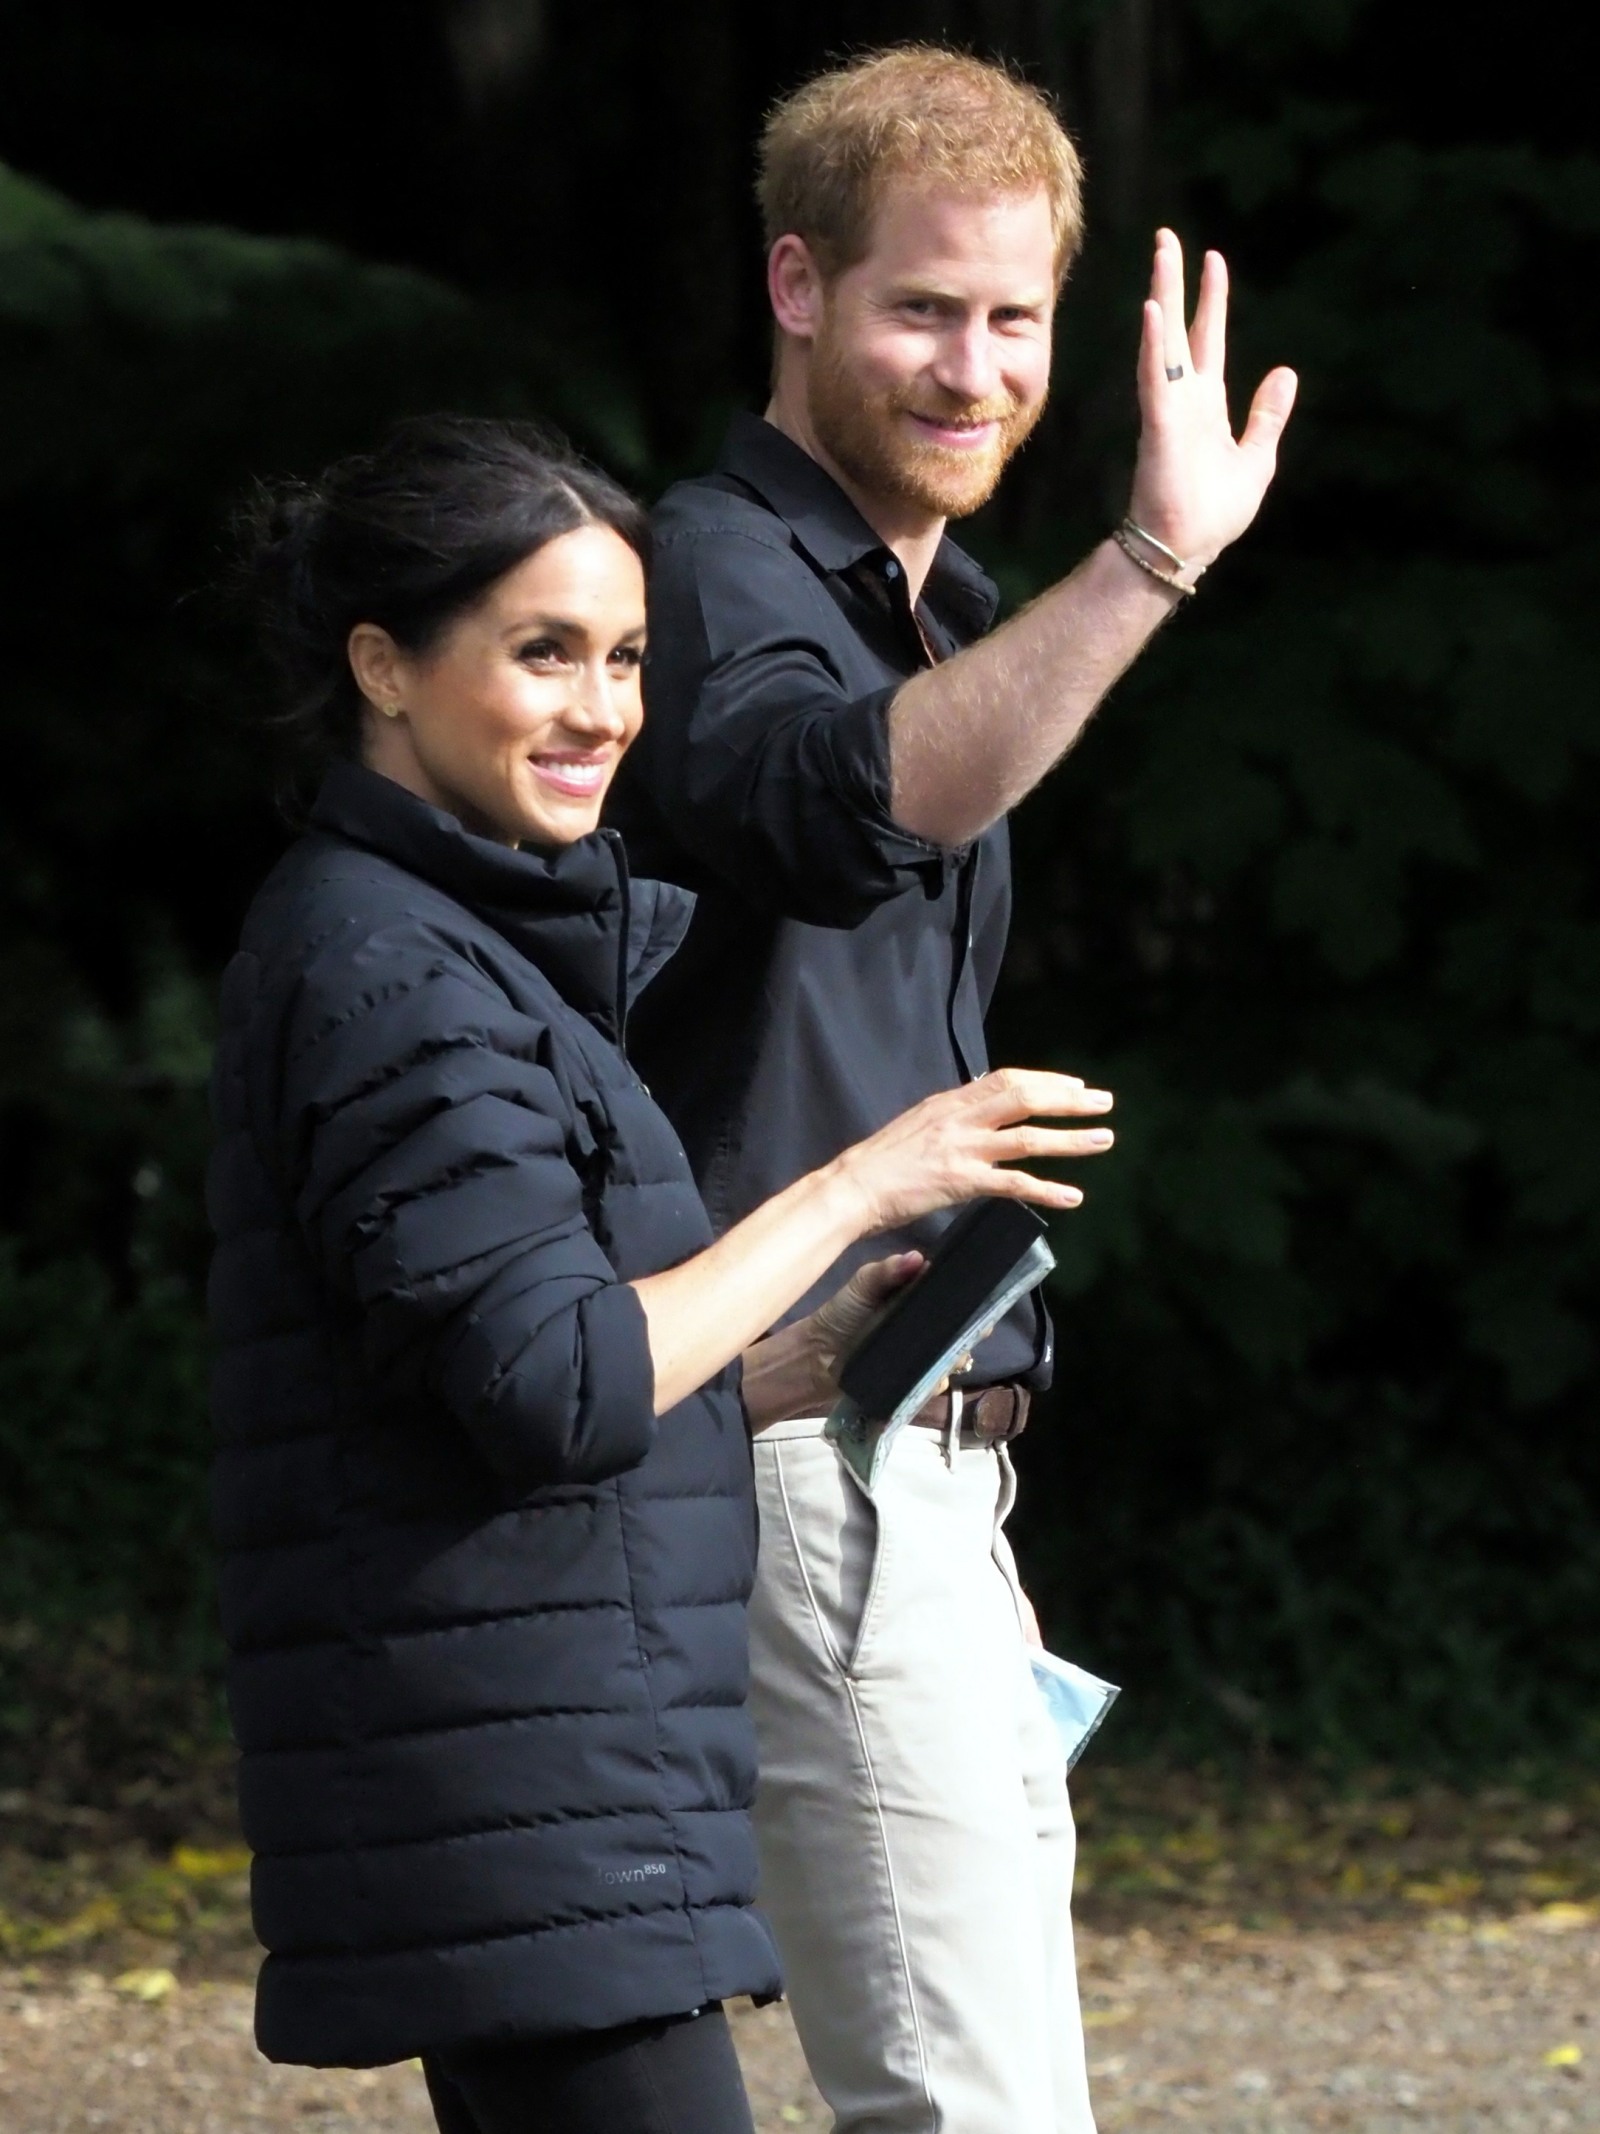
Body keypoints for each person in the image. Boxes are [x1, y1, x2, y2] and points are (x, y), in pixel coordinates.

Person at [206, 413, 1113, 2134]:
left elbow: (497, 1370)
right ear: (383, 665)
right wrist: (860, 1179)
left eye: (626, 656)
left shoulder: (473, 944)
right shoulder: (390, 964)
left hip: (543, 1795)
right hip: (522, 1792)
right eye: (542, 653)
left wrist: (796, 1356)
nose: (604, 709)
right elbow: (561, 1386)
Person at [608, 43, 1297, 2134]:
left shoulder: (940, 605)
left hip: (930, 1473)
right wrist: (1151, 568)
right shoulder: (718, 569)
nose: (971, 365)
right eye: (921, 307)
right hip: (808, 1469)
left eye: (1013, 319)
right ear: (796, 287)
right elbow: (833, 813)